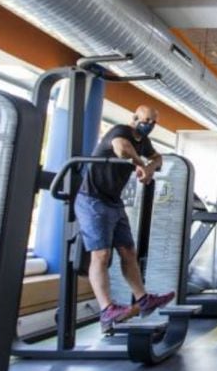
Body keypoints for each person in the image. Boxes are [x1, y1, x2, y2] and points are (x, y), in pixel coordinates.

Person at [75, 105, 176, 333]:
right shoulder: (121, 131)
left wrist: (151, 166)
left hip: (113, 201)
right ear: (135, 118)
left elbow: (158, 157)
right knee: (101, 254)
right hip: (92, 199)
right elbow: (121, 149)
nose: (149, 124)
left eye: (153, 122)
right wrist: (141, 165)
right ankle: (106, 309)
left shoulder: (143, 142)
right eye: (146, 120)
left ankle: (143, 300)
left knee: (128, 251)